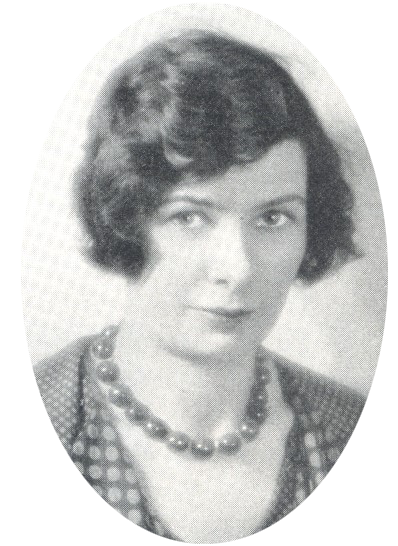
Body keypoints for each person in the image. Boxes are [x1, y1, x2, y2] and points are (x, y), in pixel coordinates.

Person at [33, 30, 366, 543]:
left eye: (274, 217)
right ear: (126, 219)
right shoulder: (37, 422)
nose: (239, 268)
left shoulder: (352, 433)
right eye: (190, 217)